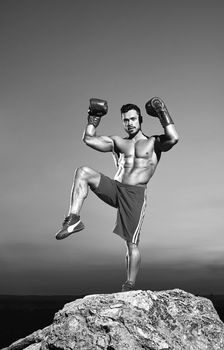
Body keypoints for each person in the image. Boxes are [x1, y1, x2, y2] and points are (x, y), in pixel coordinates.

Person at [55, 97, 179, 292]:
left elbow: (173, 138)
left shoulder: (154, 142)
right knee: (83, 172)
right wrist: (93, 117)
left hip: (134, 195)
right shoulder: (118, 142)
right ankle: (73, 219)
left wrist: (163, 113)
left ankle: (129, 284)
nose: (129, 123)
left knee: (131, 244)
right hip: (115, 189)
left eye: (132, 119)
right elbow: (88, 139)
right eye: (125, 120)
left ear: (140, 119)